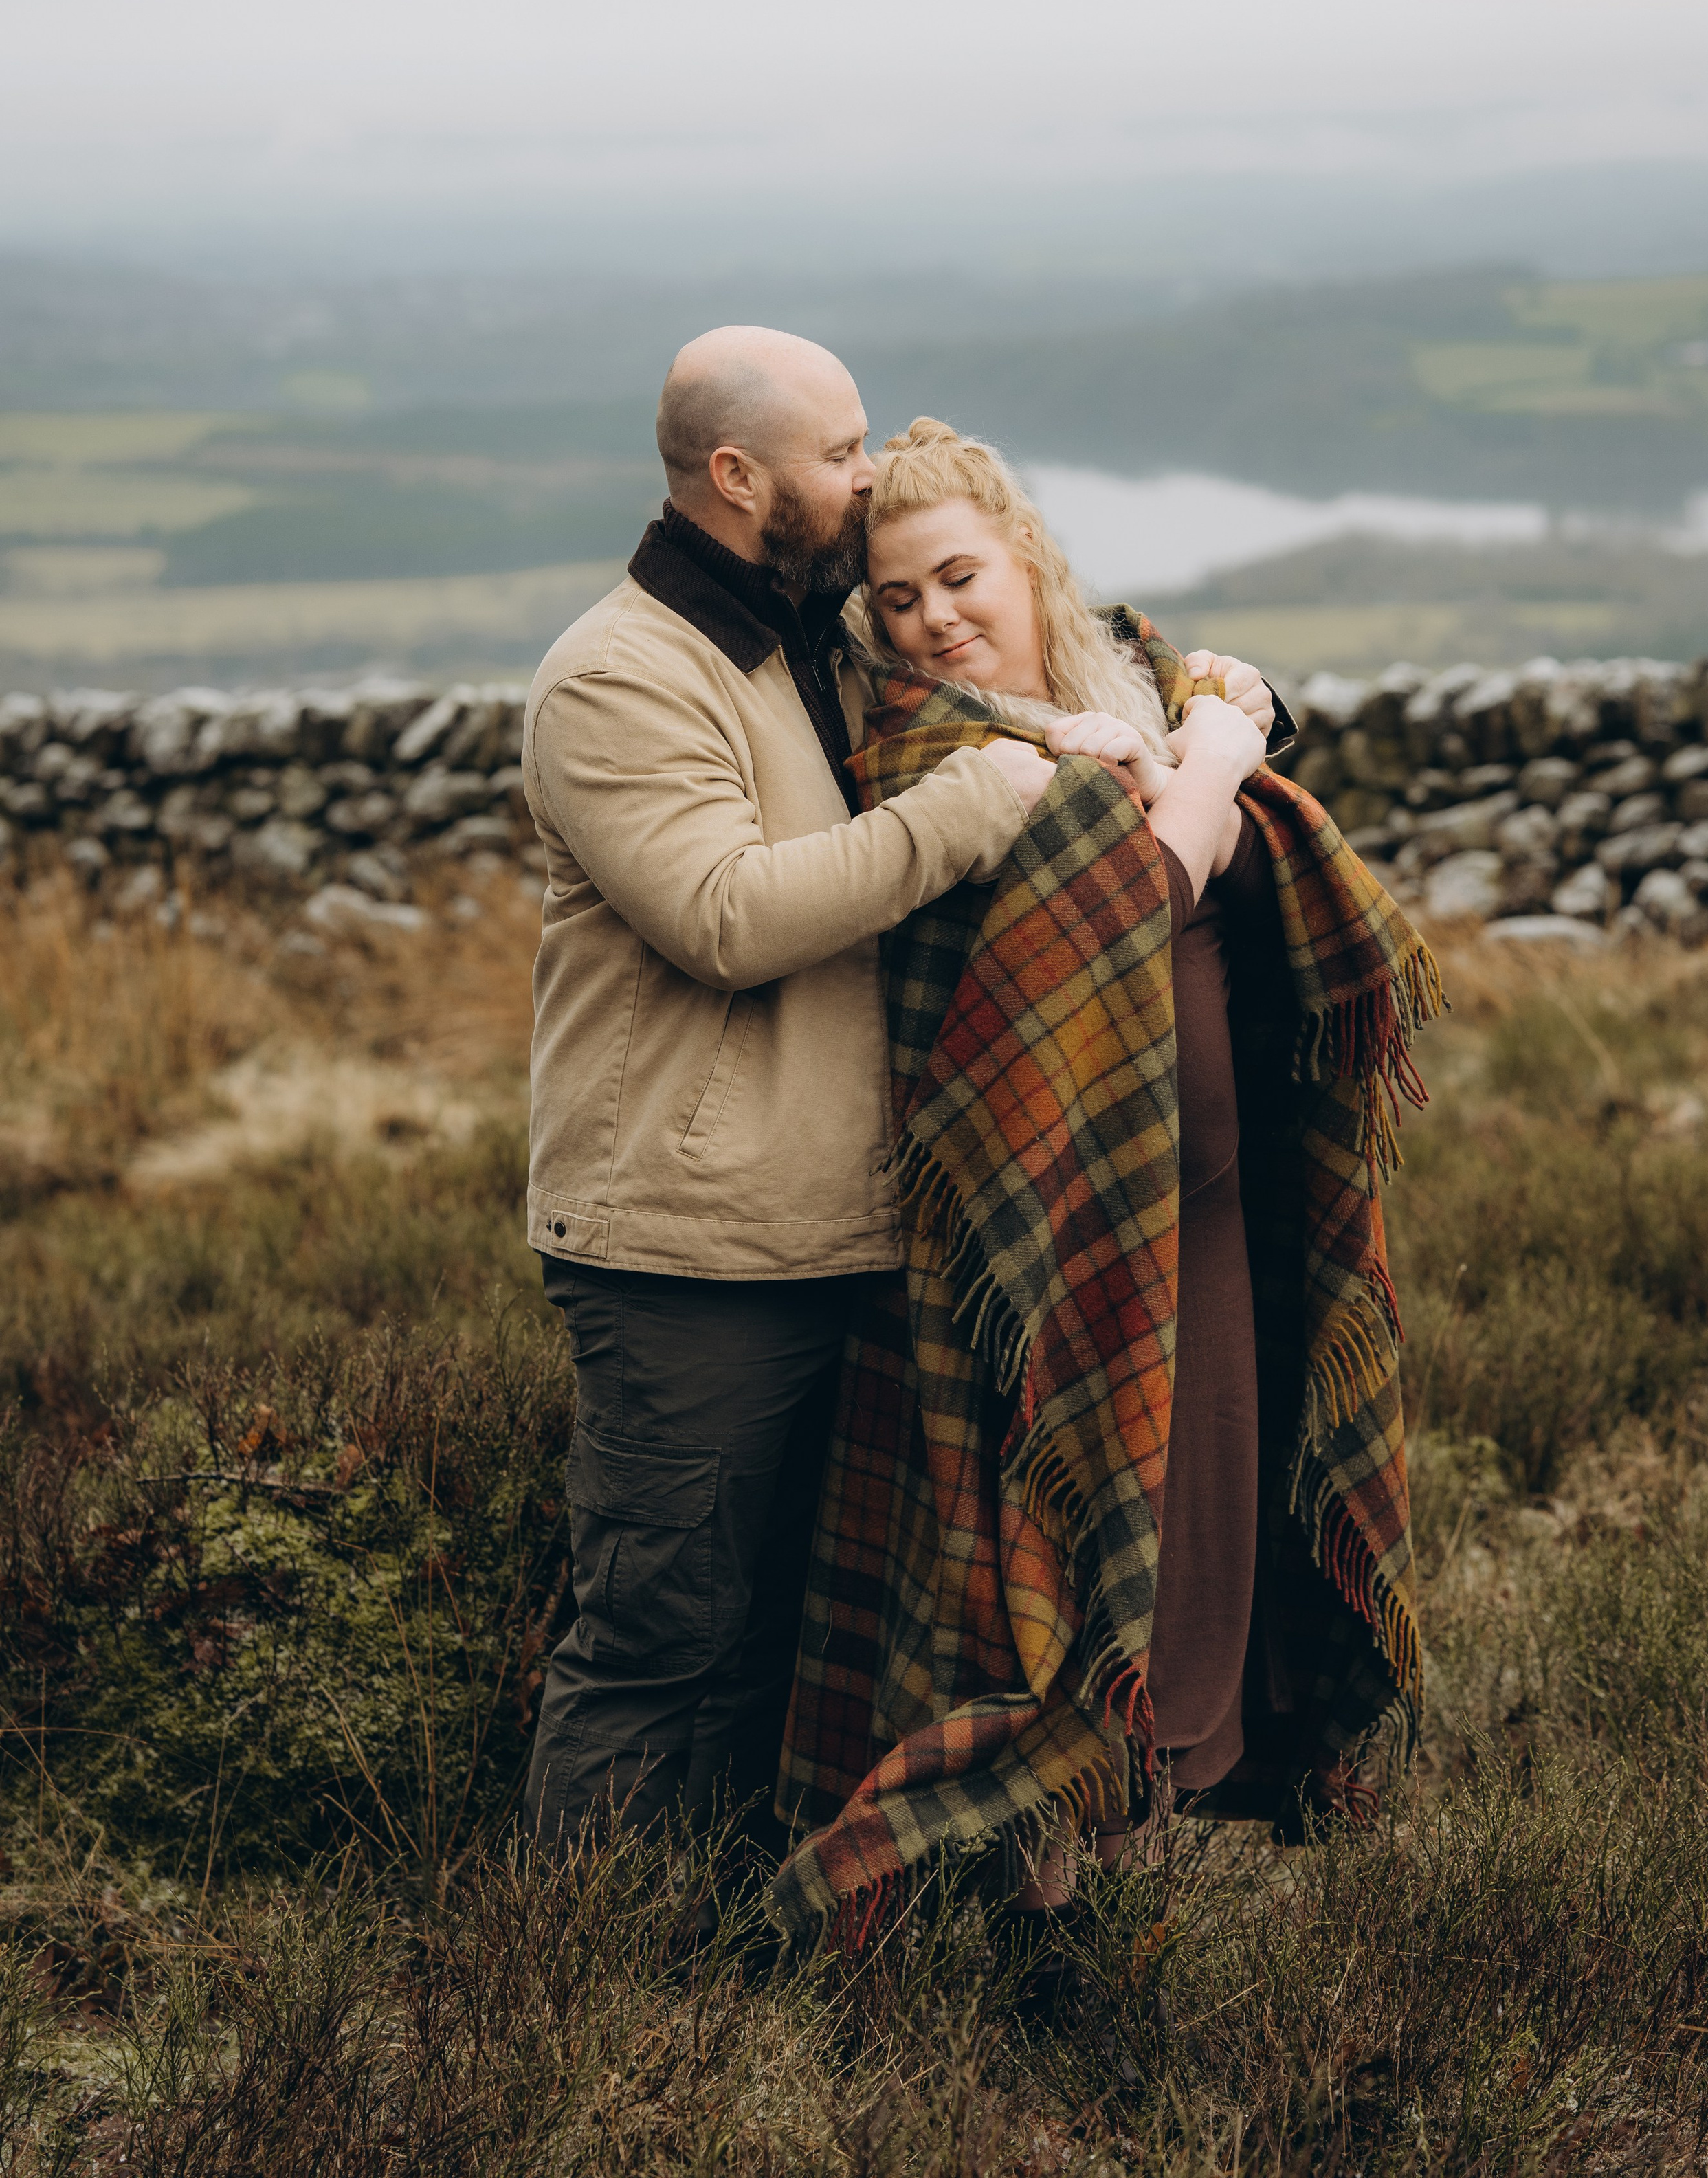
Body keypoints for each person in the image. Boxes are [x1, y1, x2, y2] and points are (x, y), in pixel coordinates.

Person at [768, 420, 1438, 1970]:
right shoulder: (933, 751)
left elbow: (1213, 806)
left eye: (958, 577)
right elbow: (1135, 892)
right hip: (1040, 1252)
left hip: (1194, 1224)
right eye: (898, 600)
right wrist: (1210, 764)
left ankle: (1109, 1898)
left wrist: (1194, 733)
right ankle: (1024, 1916)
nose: (933, 619)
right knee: (1050, 1573)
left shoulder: (1127, 686)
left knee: (1197, 1544)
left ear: (1026, 561)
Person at [520, 335, 1059, 1861]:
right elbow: (724, 916)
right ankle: (582, 1996)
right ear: (736, 477)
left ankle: (729, 1987)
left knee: (783, 1648)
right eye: (839, 451)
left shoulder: (799, 642)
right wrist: (969, 809)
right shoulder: (618, 675)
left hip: (834, 1236)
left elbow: (1023, 630)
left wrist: (1224, 699)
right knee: (656, 1649)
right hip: (686, 1250)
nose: (869, 472)